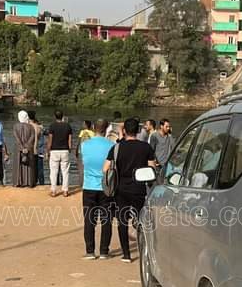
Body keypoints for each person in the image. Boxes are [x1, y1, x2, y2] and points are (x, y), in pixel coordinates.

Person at [104, 117, 158, 263]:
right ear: (138, 130)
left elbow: (105, 168)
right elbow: (152, 168)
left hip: (121, 189)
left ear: (125, 131)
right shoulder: (146, 147)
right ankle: (143, 248)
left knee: (122, 221)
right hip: (139, 189)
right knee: (141, 220)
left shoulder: (116, 148)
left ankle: (126, 254)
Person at [81, 119, 115, 259]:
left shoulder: (84, 145)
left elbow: (83, 162)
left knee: (89, 220)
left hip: (89, 186)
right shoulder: (112, 145)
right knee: (106, 220)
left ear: (94, 128)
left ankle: (90, 251)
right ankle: (104, 251)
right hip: (106, 186)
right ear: (106, 129)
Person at [46, 110, 73, 197]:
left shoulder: (52, 126)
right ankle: (65, 191)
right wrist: (69, 149)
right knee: (65, 171)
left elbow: (50, 139)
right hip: (65, 150)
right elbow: (70, 140)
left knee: (53, 171)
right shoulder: (68, 126)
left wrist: (48, 150)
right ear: (63, 116)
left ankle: (54, 191)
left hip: (54, 150)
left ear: (54, 116)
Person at [13, 110, 37, 187]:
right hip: (28, 148)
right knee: (29, 164)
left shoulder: (15, 126)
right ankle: (29, 182)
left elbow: (17, 138)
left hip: (18, 148)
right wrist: (26, 147)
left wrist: (22, 147)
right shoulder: (31, 127)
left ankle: (18, 182)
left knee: (18, 164)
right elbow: (32, 137)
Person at [151, 119, 174, 183]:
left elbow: (173, 147)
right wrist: (155, 161)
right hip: (158, 165)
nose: (168, 128)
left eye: (169, 127)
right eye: (166, 126)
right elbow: (151, 150)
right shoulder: (154, 136)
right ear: (161, 126)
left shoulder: (169, 136)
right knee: (159, 183)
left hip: (167, 165)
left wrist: (170, 135)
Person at [30, 111, 46, 186]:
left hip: (31, 150)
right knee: (40, 168)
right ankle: (42, 183)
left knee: (32, 168)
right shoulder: (40, 126)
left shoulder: (29, 126)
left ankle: (33, 182)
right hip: (40, 150)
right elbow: (47, 133)